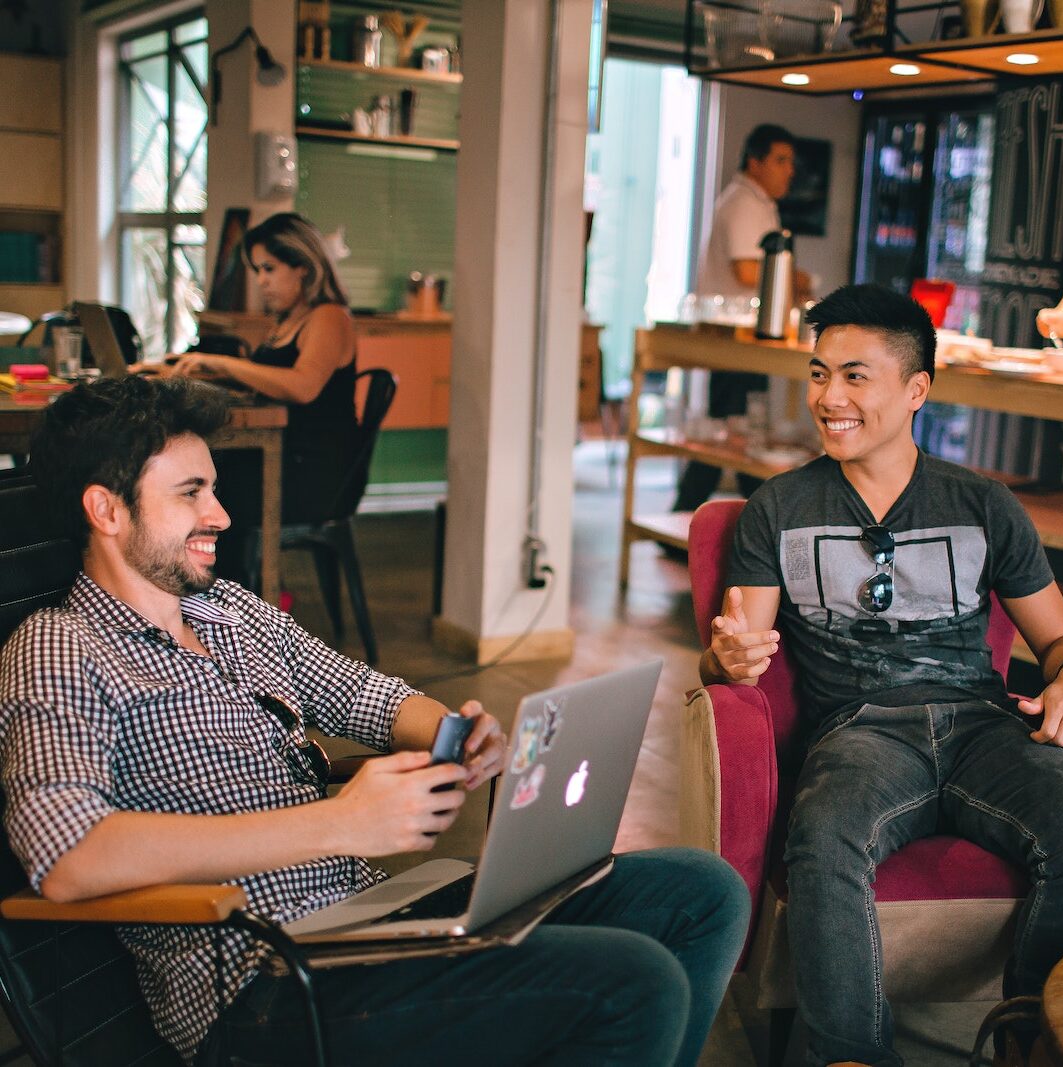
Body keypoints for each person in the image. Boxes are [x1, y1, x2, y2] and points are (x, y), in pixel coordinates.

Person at [0, 375, 750, 1067]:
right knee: (630, 982)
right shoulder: (59, 646)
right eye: (191, 493)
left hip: (370, 921)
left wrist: (456, 736)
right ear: (106, 509)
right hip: (262, 984)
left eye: (215, 489)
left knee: (700, 892)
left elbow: (371, 697)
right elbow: (68, 856)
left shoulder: (230, 612)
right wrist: (339, 825)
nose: (220, 515)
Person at [700, 283, 1063, 1067]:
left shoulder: (983, 504)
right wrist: (725, 659)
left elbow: (1059, 638)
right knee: (825, 831)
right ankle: (849, 1056)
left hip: (982, 723)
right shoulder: (779, 506)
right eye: (817, 372)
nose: (828, 397)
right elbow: (737, 646)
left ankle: (1028, 1038)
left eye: (854, 376)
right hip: (860, 730)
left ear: (915, 390)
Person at [166, 212, 359, 586]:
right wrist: (206, 371)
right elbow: (269, 380)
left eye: (269, 268)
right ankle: (206, 598)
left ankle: (226, 603)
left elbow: (302, 386)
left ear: (302, 266)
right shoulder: (290, 320)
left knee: (208, 492)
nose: (261, 281)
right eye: (258, 270)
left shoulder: (330, 318)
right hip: (286, 456)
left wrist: (222, 363)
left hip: (313, 473)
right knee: (200, 482)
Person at [674, 123, 811, 513]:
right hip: (736, 337)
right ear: (755, 162)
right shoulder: (744, 203)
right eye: (781, 160)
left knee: (739, 434)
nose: (789, 170)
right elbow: (749, 272)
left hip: (746, 337)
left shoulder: (757, 202)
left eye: (791, 162)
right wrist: (800, 279)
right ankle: (694, 522)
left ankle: (747, 521)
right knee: (735, 436)